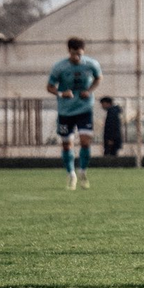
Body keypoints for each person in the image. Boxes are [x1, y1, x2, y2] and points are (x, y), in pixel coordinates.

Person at [47, 37, 102, 190]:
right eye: (73, 54)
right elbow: (50, 86)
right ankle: (71, 174)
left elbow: (99, 78)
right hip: (65, 111)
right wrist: (61, 93)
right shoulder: (60, 67)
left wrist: (89, 91)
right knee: (67, 144)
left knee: (85, 141)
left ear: (83, 52)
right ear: (69, 51)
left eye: (79, 54)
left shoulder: (91, 64)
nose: (76, 57)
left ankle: (83, 171)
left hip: (84, 108)